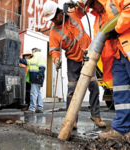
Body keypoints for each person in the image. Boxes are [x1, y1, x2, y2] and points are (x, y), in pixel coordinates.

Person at [43, 1, 106, 129]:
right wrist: (56, 60)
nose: (53, 21)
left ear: (60, 12)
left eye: (54, 17)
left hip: (88, 55)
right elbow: (54, 50)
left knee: (93, 86)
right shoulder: (53, 32)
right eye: (51, 19)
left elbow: (85, 6)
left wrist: (77, 3)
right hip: (73, 60)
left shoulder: (73, 13)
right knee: (72, 90)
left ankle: (96, 115)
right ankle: (72, 120)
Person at [82, 0, 130, 140]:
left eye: (91, 4)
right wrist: (89, 52)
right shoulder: (98, 20)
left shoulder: (114, 1)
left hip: (127, 48)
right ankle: (121, 130)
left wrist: (117, 29)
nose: (91, 8)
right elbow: (98, 40)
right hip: (117, 55)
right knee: (121, 94)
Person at [19, 48, 46, 114]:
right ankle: (40, 108)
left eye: (32, 51)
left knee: (33, 93)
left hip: (35, 77)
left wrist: (38, 76)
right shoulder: (36, 57)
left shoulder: (38, 56)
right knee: (38, 93)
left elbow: (42, 67)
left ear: (35, 50)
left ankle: (32, 109)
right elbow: (27, 62)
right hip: (37, 77)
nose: (32, 52)